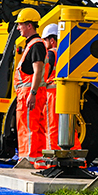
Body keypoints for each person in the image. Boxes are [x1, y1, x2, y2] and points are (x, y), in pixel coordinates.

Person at [13, 8, 47, 168]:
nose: (18, 28)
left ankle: (29, 159)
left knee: (28, 128)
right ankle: (34, 159)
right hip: (29, 93)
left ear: (29, 25)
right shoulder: (33, 45)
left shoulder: (35, 45)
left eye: (20, 24)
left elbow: (38, 70)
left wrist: (32, 93)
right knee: (31, 127)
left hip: (29, 93)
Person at [40, 23, 60, 152]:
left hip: (52, 94)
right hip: (63, 93)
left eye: (45, 40)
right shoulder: (65, 53)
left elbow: (45, 75)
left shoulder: (51, 54)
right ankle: (75, 156)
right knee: (65, 128)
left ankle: (52, 158)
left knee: (51, 126)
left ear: (51, 40)